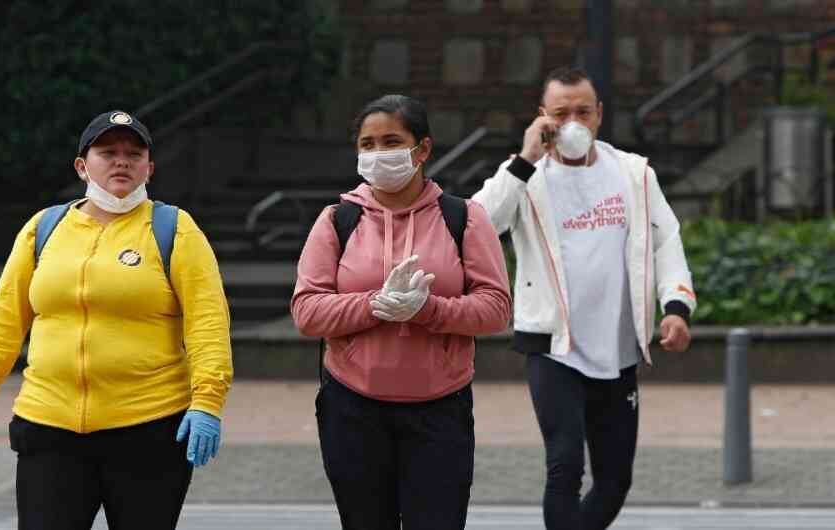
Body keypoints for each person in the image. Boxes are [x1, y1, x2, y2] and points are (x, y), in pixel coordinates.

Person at [0, 110, 233, 530]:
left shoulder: (174, 229)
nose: (122, 162)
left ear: (149, 168)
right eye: (108, 152)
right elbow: (3, 319)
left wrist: (207, 401)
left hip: (147, 429)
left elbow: (208, 323)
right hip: (49, 426)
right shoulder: (43, 228)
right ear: (82, 166)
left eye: (134, 154)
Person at [471, 66, 697, 530]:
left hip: (618, 349)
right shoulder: (526, 175)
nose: (572, 122)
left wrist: (676, 307)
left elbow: (666, 241)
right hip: (554, 347)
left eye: (583, 111)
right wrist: (525, 158)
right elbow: (478, 226)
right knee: (565, 464)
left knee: (615, 479)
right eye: (560, 113)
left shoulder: (633, 173)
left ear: (599, 115)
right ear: (542, 116)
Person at [291, 94, 512, 530]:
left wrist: (427, 309)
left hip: (440, 411)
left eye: (391, 142)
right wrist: (375, 304)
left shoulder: (464, 218)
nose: (378, 153)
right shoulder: (336, 220)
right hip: (352, 408)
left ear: (422, 149)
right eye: (367, 144)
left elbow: (495, 308)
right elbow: (306, 311)